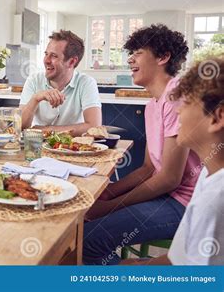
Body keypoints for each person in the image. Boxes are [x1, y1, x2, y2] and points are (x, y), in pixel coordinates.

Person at [83, 24, 201, 265]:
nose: (130, 59)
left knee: (90, 239)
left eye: (137, 52)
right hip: (166, 196)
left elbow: (169, 178)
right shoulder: (152, 105)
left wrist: (109, 207)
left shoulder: (176, 96)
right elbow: (148, 167)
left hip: (186, 204)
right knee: (88, 220)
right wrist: (107, 193)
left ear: (163, 57)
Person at [122, 57, 224, 265]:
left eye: (186, 103)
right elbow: (180, 258)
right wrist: (141, 266)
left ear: (217, 118)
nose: (177, 110)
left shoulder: (216, 200)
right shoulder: (209, 174)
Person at [19, 30, 101, 136]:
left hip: (72, 149)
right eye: (46, 54)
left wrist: (46, 130)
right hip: (37, 147)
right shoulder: (34, 80)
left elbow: (93, 127)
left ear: (71, 62)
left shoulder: (86, 83)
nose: (46, 60)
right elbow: (20, 126)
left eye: (54, 56)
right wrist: (36, 98)